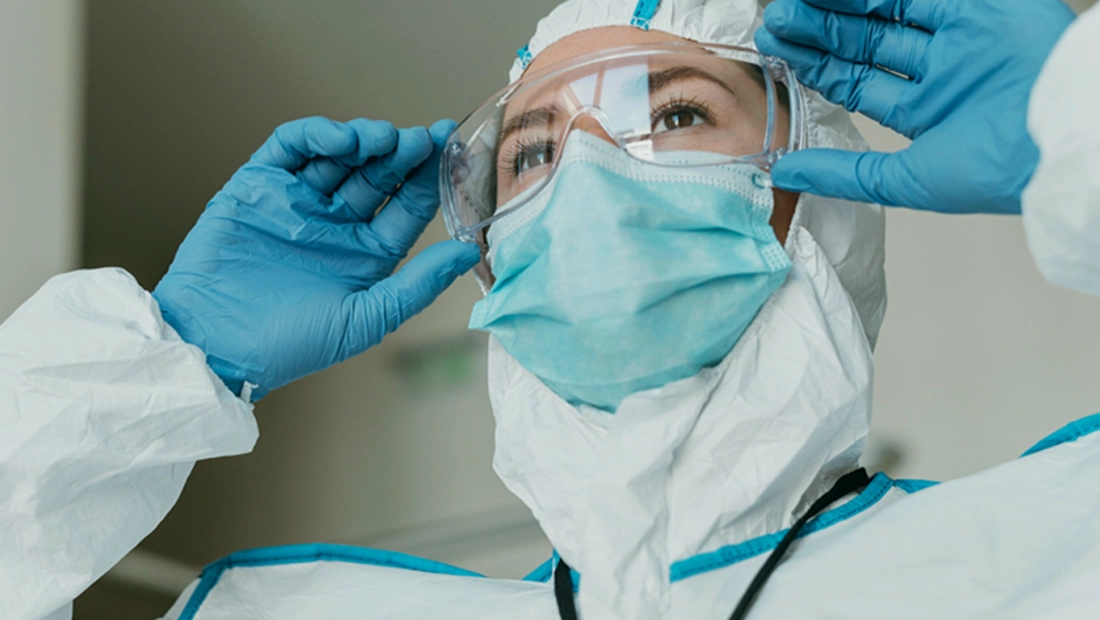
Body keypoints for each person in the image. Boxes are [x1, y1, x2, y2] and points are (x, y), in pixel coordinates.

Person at [1, 0, 1098, 618]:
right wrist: (159, 365)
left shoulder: (1054, 540)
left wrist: (1076, 122)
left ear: (805, 188)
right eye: (531, 149)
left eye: (670, 113)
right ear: (489, 244)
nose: (588, 172)